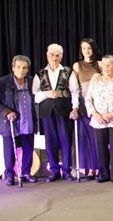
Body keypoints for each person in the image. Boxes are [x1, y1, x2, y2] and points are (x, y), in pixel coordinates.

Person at [32, 43, 80, 182]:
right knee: (50, 141)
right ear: (47, 55)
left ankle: (66, 170)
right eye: (52, 54)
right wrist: (47, 93)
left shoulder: (67, 71)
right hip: (46, 112)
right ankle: (54, 170)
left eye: (57, 55)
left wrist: (75, 108)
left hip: (64, 110)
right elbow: (35, 94)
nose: (54, 57)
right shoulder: (40, 74)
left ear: (61, 57)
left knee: (65, 140)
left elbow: (75, 91)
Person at [0, 55, 38, 185]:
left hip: (28, 121)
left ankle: (26, 173)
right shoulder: (3, 82)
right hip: (10, 122)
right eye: (19, 67)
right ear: (13, 67)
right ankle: (10, 174)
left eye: (25, 68)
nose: (22, 70)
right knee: (10, 150)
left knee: (28, 148)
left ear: (28, 69)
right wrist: (6, 112)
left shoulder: (32, 81)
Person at [85, 55, 113, 183]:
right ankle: (103, 173)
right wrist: (95, 114)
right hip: (99, 120)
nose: (106, 67)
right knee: (101, 147)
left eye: (109, 64)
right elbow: (88, 99)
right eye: (103, 64)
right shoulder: (95, 79)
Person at [72, 38, 101, 181]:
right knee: (86, 139)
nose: (86, 51)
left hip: (99, 105)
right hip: (84, 105)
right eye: (84, 48)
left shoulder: (100, 65)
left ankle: (98, 167)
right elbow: (75, 89)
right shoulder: (77, 66)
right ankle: (89, 167)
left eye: (89, 48)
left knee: (97, 138)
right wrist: (75, 107)